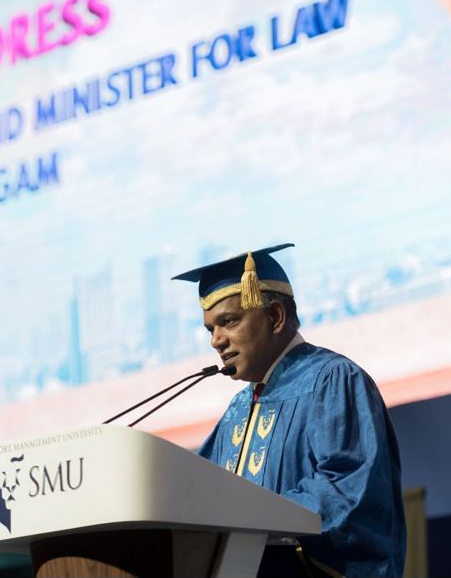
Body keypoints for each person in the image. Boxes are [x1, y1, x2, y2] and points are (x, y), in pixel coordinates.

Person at [173, 244, 405, 578]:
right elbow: (199, 494)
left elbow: (351, 493)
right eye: (211, 329)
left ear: (275, 317)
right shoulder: (238, 409)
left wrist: (256, 516)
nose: (216, 341)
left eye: (229, 321)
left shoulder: (332, 380)